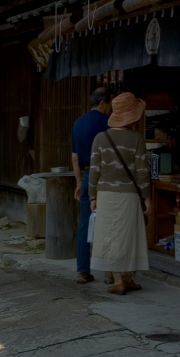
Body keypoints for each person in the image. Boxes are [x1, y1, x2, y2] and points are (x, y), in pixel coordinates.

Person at [88, 92, 152, 295]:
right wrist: (147, 197)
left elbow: (94, 169)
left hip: (105, 194)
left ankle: (117, 280)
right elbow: (142, 171)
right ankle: (128, 277)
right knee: (130, 234)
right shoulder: (137, 139)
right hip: (130, 194)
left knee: (109, 235)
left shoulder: (100, 138)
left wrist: (92, 195)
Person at [70, 87, 114, 284]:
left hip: (87, 175)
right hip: (105, 175)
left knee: (84, 223)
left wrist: (79, 183)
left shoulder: (78, 123)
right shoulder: (108, 123)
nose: (111, 109)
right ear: (103, 103)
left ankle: (82, 270)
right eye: (110, 104)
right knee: (108, 223)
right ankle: (109, 272)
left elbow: (74, 158)